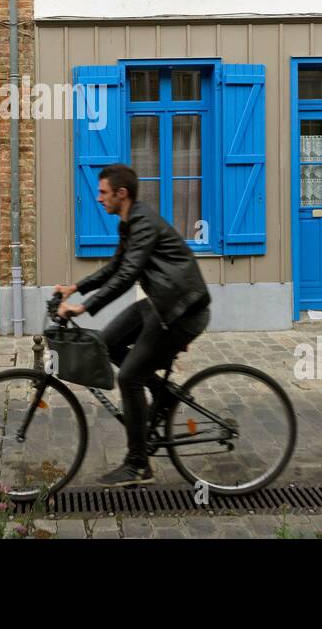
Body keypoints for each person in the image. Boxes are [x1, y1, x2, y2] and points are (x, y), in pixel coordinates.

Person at [54, 163, 211, 487]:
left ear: (121, 194)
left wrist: (84, 307)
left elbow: (127, 277)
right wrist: (76, 287)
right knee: (105, 342)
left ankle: (138, 464)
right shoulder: (130, 223)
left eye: (103, 192)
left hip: (182, 311)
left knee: (128, 378)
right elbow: (117, 266)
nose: (98, 199)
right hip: (161, 303)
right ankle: (164, 394)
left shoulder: (143, 223)